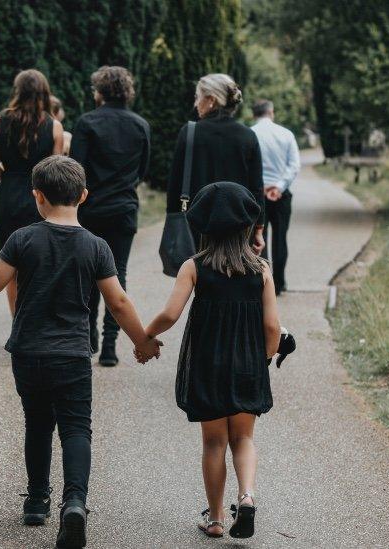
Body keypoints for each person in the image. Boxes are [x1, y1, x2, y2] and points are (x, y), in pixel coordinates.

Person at [0, 156, 161, 549]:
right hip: (73, 355)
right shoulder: (96, 247)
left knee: (37, 423)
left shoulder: (22, 239)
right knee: (76, 429)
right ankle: (74, 503)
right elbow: (118, 303)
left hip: (28, 352)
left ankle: (35, 500)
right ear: (83, 196)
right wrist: (142, 341)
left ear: (37, 196)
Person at [143, 182, 280, 540]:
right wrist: (262, 360)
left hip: (207, 366)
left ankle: (217, 518)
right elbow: (272, 327)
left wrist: (145, 335)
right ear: (247, 226)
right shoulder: (261, 269)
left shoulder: (194, 266)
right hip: (248, 364)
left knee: (214, 442)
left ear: (202, 226)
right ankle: (247, 497)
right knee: (244, 438)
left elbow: (170, 314)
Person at [70, 66, 151, 366]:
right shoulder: (141, 125)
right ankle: (110, 346)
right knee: (118, 273)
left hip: (90, 208)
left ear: (100, 92)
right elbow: (143, 170)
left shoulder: (87, 122)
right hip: (124, 208)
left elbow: (75, 170)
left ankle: (88, 333)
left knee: (88, 272)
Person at [0, 70, 64, 313]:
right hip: (41, 200)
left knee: (12, 267)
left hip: (8, 197)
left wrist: (9, 176)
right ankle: (39, 322)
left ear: (17, 91)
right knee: (43, 263)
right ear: (44, 92)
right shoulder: (54, 127)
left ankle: (17, 322)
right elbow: (56, 170)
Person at [165, 73, 265, 254]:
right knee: (234, 276)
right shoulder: (247, 136)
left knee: (199, 277)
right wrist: (258, 228)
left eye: (197, 97)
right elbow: (256, 187)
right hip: (239, 224)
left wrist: (173, 223)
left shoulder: (189, 133)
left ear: (211, 100)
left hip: (197, 224)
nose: (195, 104)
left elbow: (175, 186)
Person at [251, 100, 300, 295]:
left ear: (254, 114)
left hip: (257, 195)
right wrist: (279, 187)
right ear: (271, 112)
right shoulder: (286, 134)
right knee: (280, 239)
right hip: (280, 195)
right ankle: (279, 284)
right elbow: (294, 165)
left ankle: (262, 284)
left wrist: (260, 187)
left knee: (257, 240)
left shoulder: (250, 134)